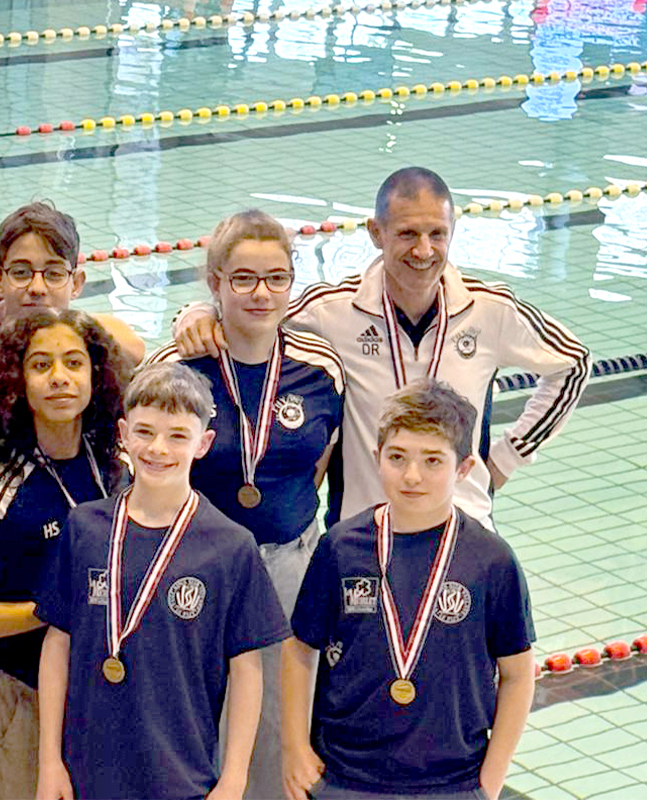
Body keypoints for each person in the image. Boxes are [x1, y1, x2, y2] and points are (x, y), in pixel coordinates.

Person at [172, 167, 590, 529]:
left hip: (461, 526)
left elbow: (574, 364)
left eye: (437, 234)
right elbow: (257, 310)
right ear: (376, 233)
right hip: (361, 533)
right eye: (407, 234)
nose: (423, 250)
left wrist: (504, 459)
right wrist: (196, 314)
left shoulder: (489, 310)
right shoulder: (332, 309)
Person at [146, 209, 344, 799]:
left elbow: (321, 466)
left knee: (280, 725)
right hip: (194, 568)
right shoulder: (177, 368)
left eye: (276, 278)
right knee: (190, 712)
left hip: (289, 562)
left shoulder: (321, 369)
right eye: (243, 278)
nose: (261, 293)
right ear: (214, 282)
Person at [35, 362, 290, 800]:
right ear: (123, 433)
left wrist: (234, 778)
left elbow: (247, 669)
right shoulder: (86, 529)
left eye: (177, 436)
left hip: (183, 774)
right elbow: (58, 645)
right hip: (86, 772)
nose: (158, 448)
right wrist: (48, 762)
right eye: (145, 432)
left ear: (204, 443)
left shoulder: (230, 545)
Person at [281, 378, 536, 800]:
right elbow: (299, 649)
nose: (412, 476)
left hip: (453, 780)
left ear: (463, 468)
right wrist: (294, 748)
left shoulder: (491, 560)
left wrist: (490, 781)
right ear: (376, 457)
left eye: (433, 461)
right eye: (397, 458)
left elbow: (518, 674)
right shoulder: (342, 547)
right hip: (344, 776)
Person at [0, 309, 133, 800]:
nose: (60, 378)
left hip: (107, 690)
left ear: (95, 378)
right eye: (41, 366)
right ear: (18, 384)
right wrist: (56, 614)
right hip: (25, 693)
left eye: (74, 363)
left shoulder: (119, 472)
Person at [0, 201, 145, 364]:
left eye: (53, 274)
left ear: (75, 284)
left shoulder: (89, 341)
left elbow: (134, 348)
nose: (37, 288)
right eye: (21, 273)